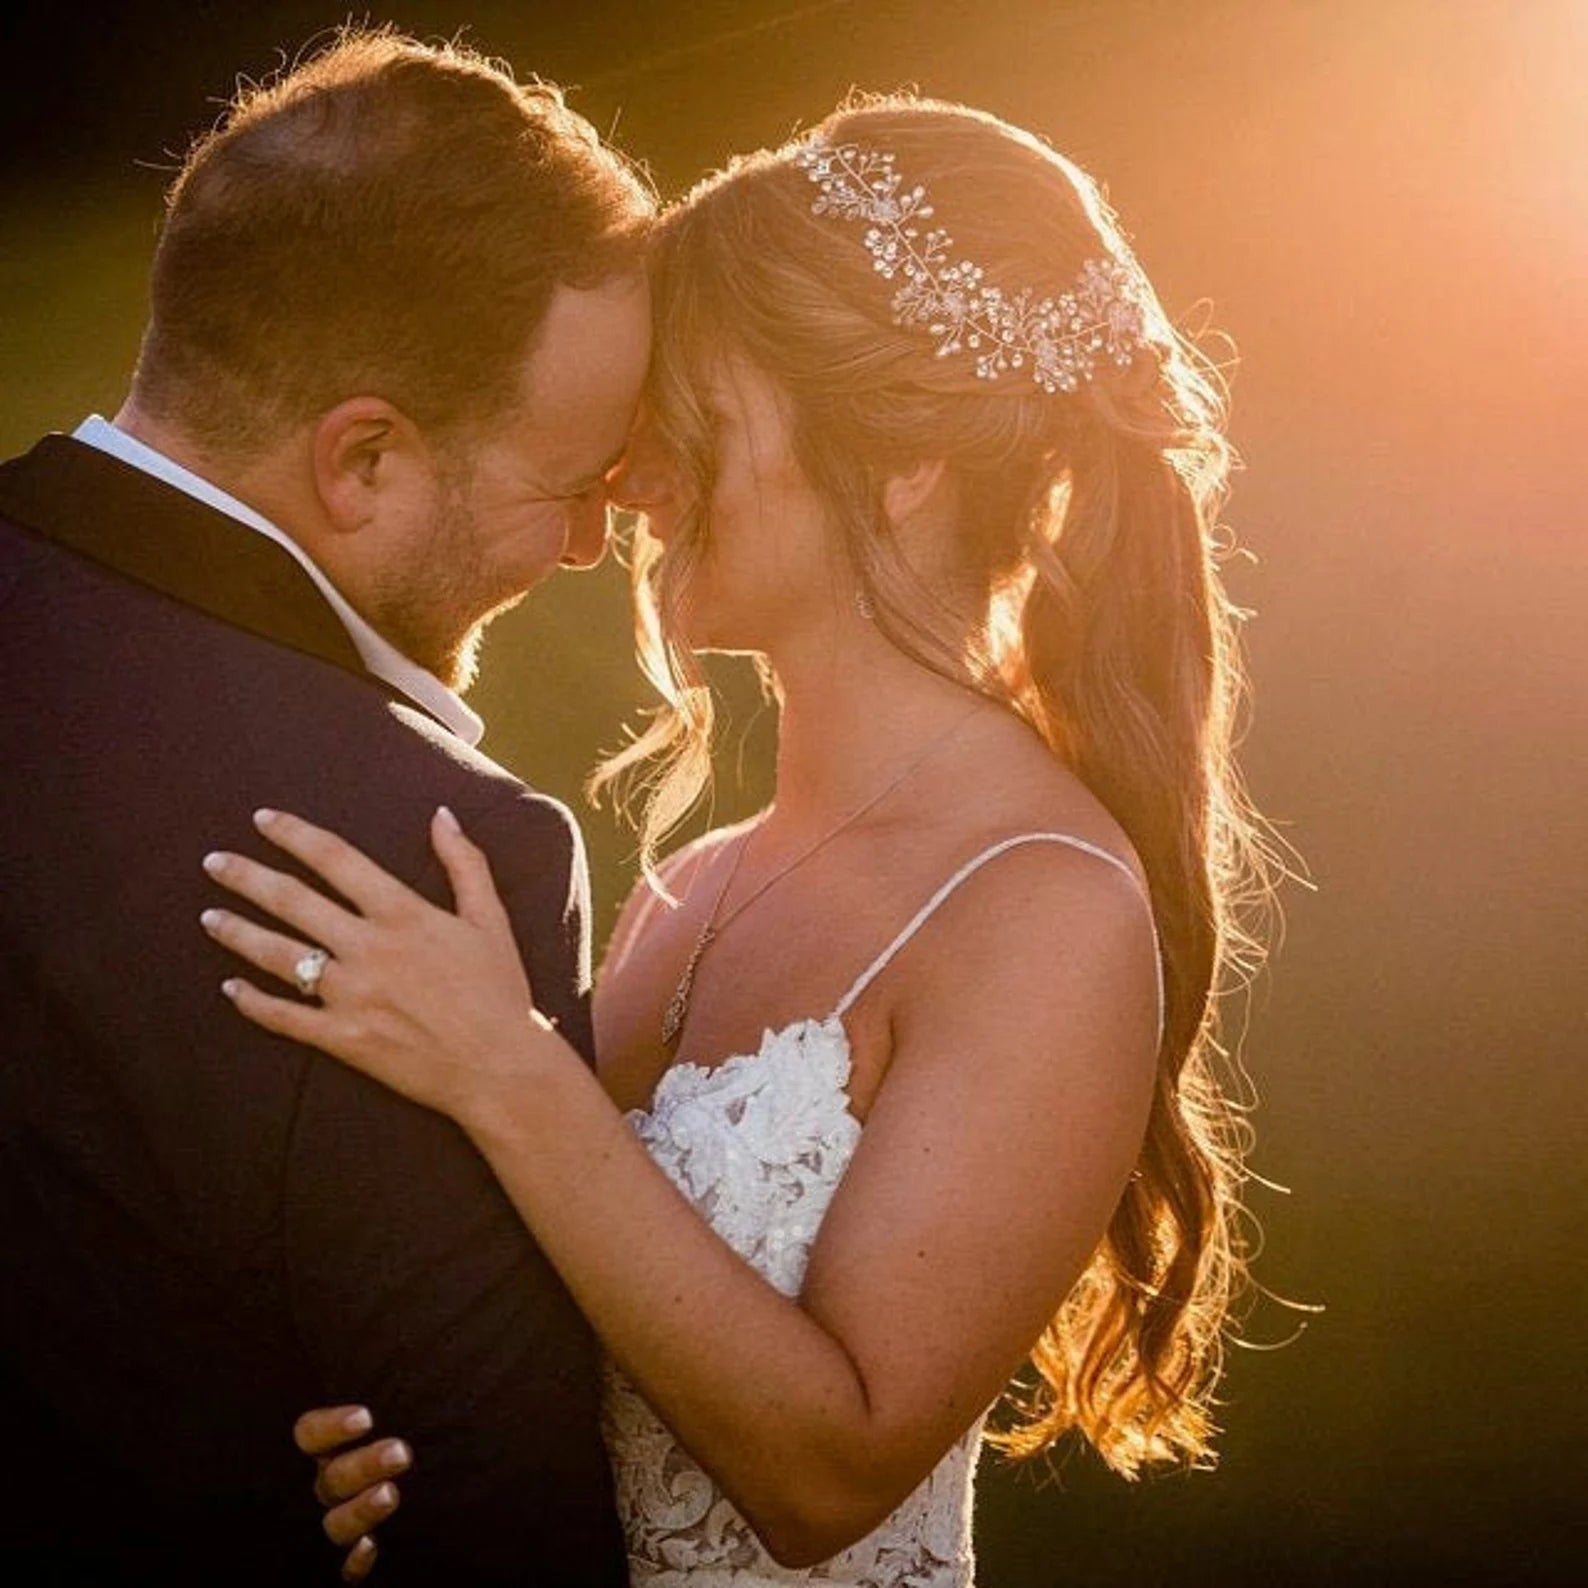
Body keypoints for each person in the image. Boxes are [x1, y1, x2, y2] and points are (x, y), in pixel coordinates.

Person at [201, 96, 1273, 1585]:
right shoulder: (689, 882)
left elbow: (828, 1472)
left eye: (691, 408)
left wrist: (506, 1068)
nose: (630, 480)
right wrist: (376, 1446)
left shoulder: (1044, 905)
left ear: (900, 458)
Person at [0, 29, 653, 1586]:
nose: (581, 548)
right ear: (362, 458)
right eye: (568, 484)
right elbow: (489, 1523)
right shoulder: (420, 851)